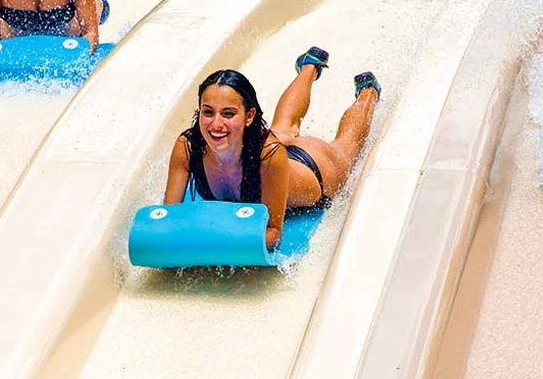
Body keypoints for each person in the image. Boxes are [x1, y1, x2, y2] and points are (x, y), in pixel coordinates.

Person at [162, 53, 381, 250]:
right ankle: (309, 65)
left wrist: (210, 241)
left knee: (346, 147)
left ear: (249, 116)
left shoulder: (268, 153)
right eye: (208, 112)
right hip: (261, 149)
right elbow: (167, 219)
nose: (216, 124)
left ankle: (368, 92)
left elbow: (272, 233)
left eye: (228, 114)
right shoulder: (188, 147)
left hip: (313, 169)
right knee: (284, 126)